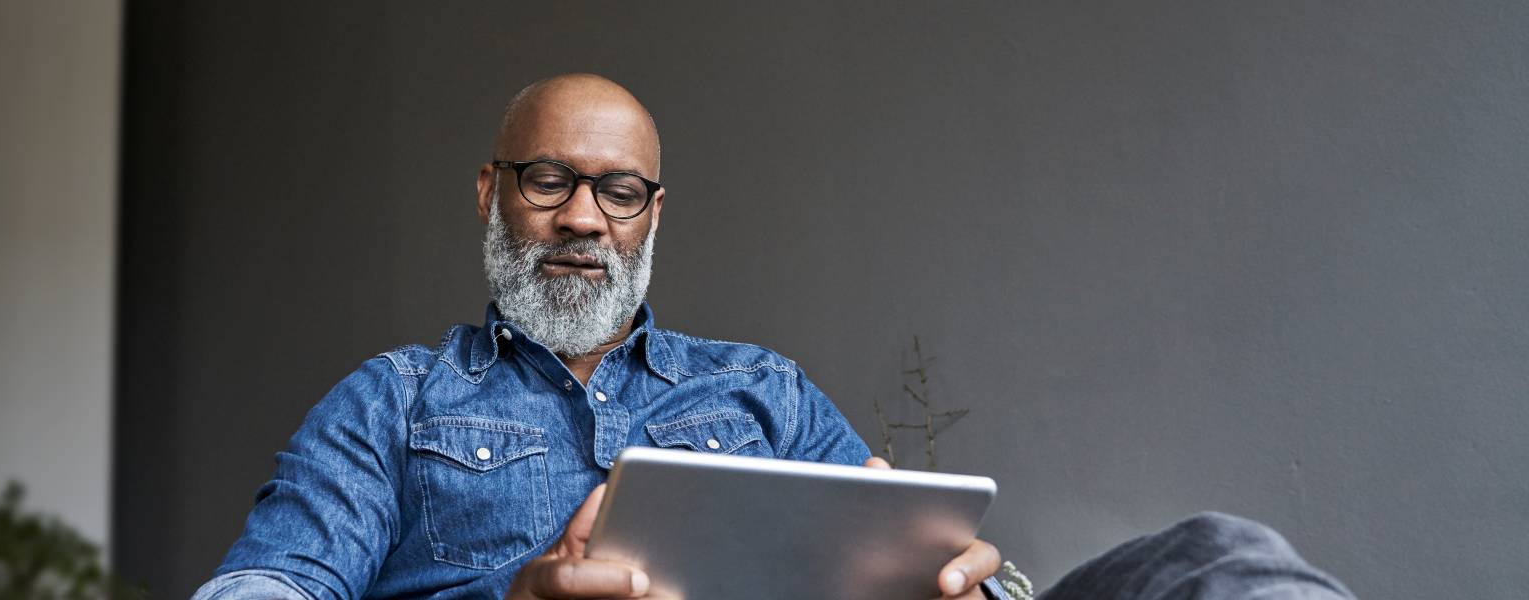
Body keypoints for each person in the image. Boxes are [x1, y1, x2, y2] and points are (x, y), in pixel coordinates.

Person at [193, 74, 1356, 600]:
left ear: (654, 216)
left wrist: (966, 585)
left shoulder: (760, 389)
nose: (584, 216)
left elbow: (911, 547)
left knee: (1224, 563)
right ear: (491, 192)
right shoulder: (394, 400)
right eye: (549, 180)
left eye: (619, 191)